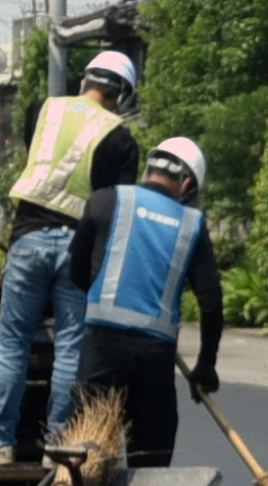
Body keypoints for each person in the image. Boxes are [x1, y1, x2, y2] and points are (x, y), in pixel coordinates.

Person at [0, 48, 138, 459]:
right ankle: (58, 446)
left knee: (13, 342)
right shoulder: (122, 138)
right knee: (70, 347)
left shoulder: (43, 109)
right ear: (122, 94)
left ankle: (1, 444)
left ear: (85, 79)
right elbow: (118, 207)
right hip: (79, 248)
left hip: (28, 237)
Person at [69, 131, 230, 467]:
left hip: (103, 349)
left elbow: (77, 272)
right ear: (186, 184)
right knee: (153, 453)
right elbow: (211, 303)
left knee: (87, 450)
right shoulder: (193, 224)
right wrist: (206, 365)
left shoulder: (104, 200)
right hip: (154, 359)